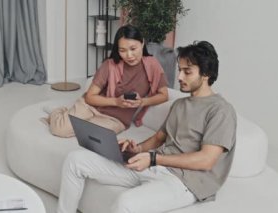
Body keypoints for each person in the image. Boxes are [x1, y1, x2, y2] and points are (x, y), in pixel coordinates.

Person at [57, 41, 237, 213]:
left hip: (185, 182)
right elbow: (159, 138)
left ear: (206, 74)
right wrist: (138, 148)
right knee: (75, 160)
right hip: (154, 164)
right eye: (180, 70)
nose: (180, 77)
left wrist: (153, 159)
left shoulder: (221, 110)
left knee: (124, 203)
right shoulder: (180, 105)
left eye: (187, 72)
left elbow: (206, 160)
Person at [46, 25, 169, 138]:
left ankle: (69, 116)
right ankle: (58, 113)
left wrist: (142, 101)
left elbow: (164, 95)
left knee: (89, 135)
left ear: (142, 43)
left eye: (133, 48)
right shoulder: (109, 65)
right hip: (91, 106)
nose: (129, 55)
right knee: (60, 130)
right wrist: (116, 101)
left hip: (115, 119)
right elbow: (90, 97)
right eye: (122, 50)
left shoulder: (152, 65)